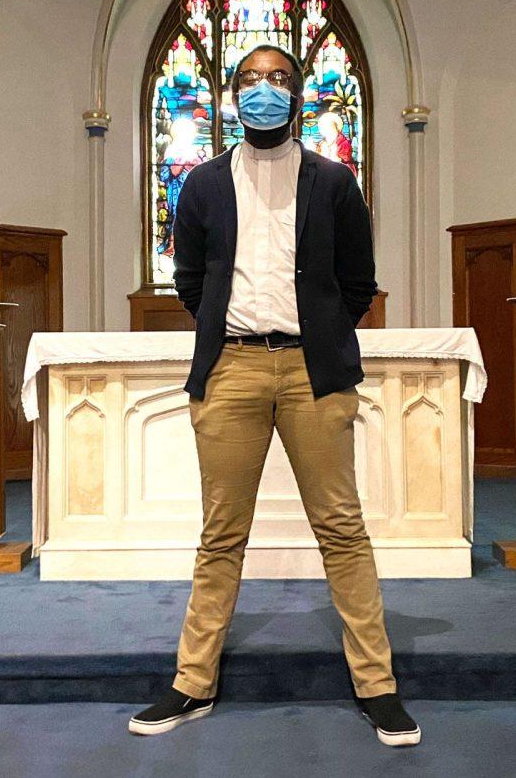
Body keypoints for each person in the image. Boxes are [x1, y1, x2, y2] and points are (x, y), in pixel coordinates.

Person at [127, 45, 420, 747]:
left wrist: (313, 333)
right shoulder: (198, 185)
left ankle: (377, 684)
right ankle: (192, 681)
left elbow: (358, 282)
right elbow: (192, 280)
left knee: (341, 528)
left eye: (279, 79)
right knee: (221, 533)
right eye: (253, 80)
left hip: (314, 371)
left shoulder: (335, 182)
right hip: (231, 369)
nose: (266, 90)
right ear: (233, 95)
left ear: (298, 96)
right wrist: (238, 337)